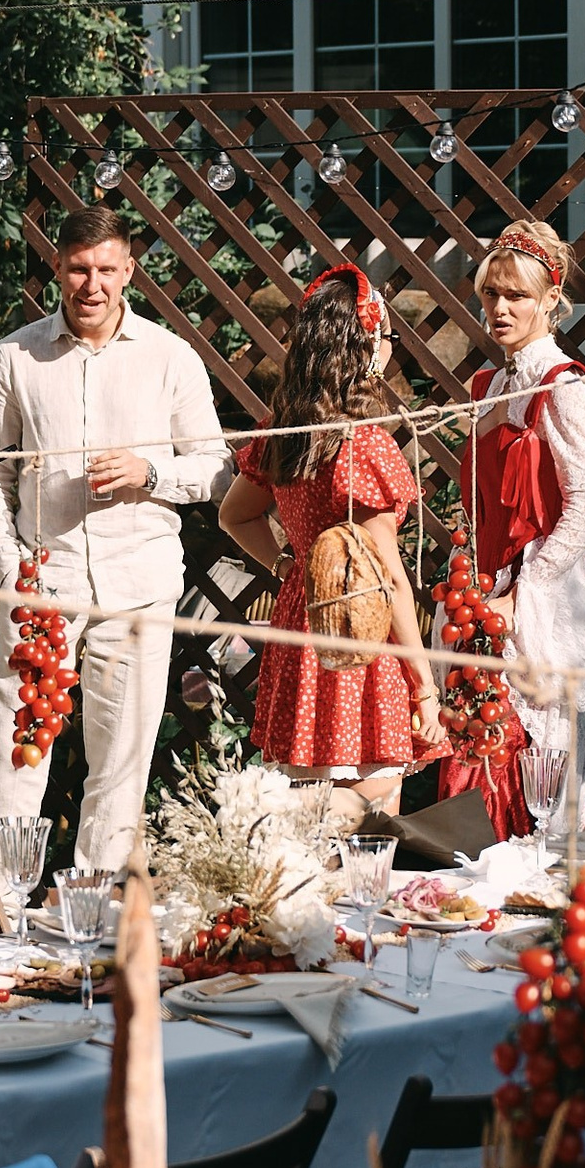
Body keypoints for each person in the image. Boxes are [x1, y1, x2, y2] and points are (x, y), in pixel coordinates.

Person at [0, 203, 231, 878]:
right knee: (15, 758)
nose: (92, 285)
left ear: (129, 271)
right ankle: (3, 910)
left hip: (138, 583)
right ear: (58, 268)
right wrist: (9, 566)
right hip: (43, 588)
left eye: (106, 270)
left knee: (119, 768)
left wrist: (150, 472)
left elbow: (217, 469)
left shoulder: (169, 357)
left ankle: (93, 912)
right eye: (79, 269)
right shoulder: (16, 355)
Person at [216, 262, 443, 808]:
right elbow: (389, 578)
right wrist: (425, 686)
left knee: (308, 793)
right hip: (355, 627)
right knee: (368, 807)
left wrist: (288, 567)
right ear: (366, 348)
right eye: (387, 339)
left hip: (303, 618)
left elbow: (235, 516)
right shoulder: (362, 444)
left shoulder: (287, 433)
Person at [452, 217, 585, 833]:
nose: (499, 309)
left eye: (516, 295)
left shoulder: (564, 384)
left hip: (542, 599)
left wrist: (524, 590)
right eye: (490, 294)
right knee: (477, 750)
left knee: (541, 767)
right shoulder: (490, 383)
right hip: (484, 594)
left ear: (551, 300)